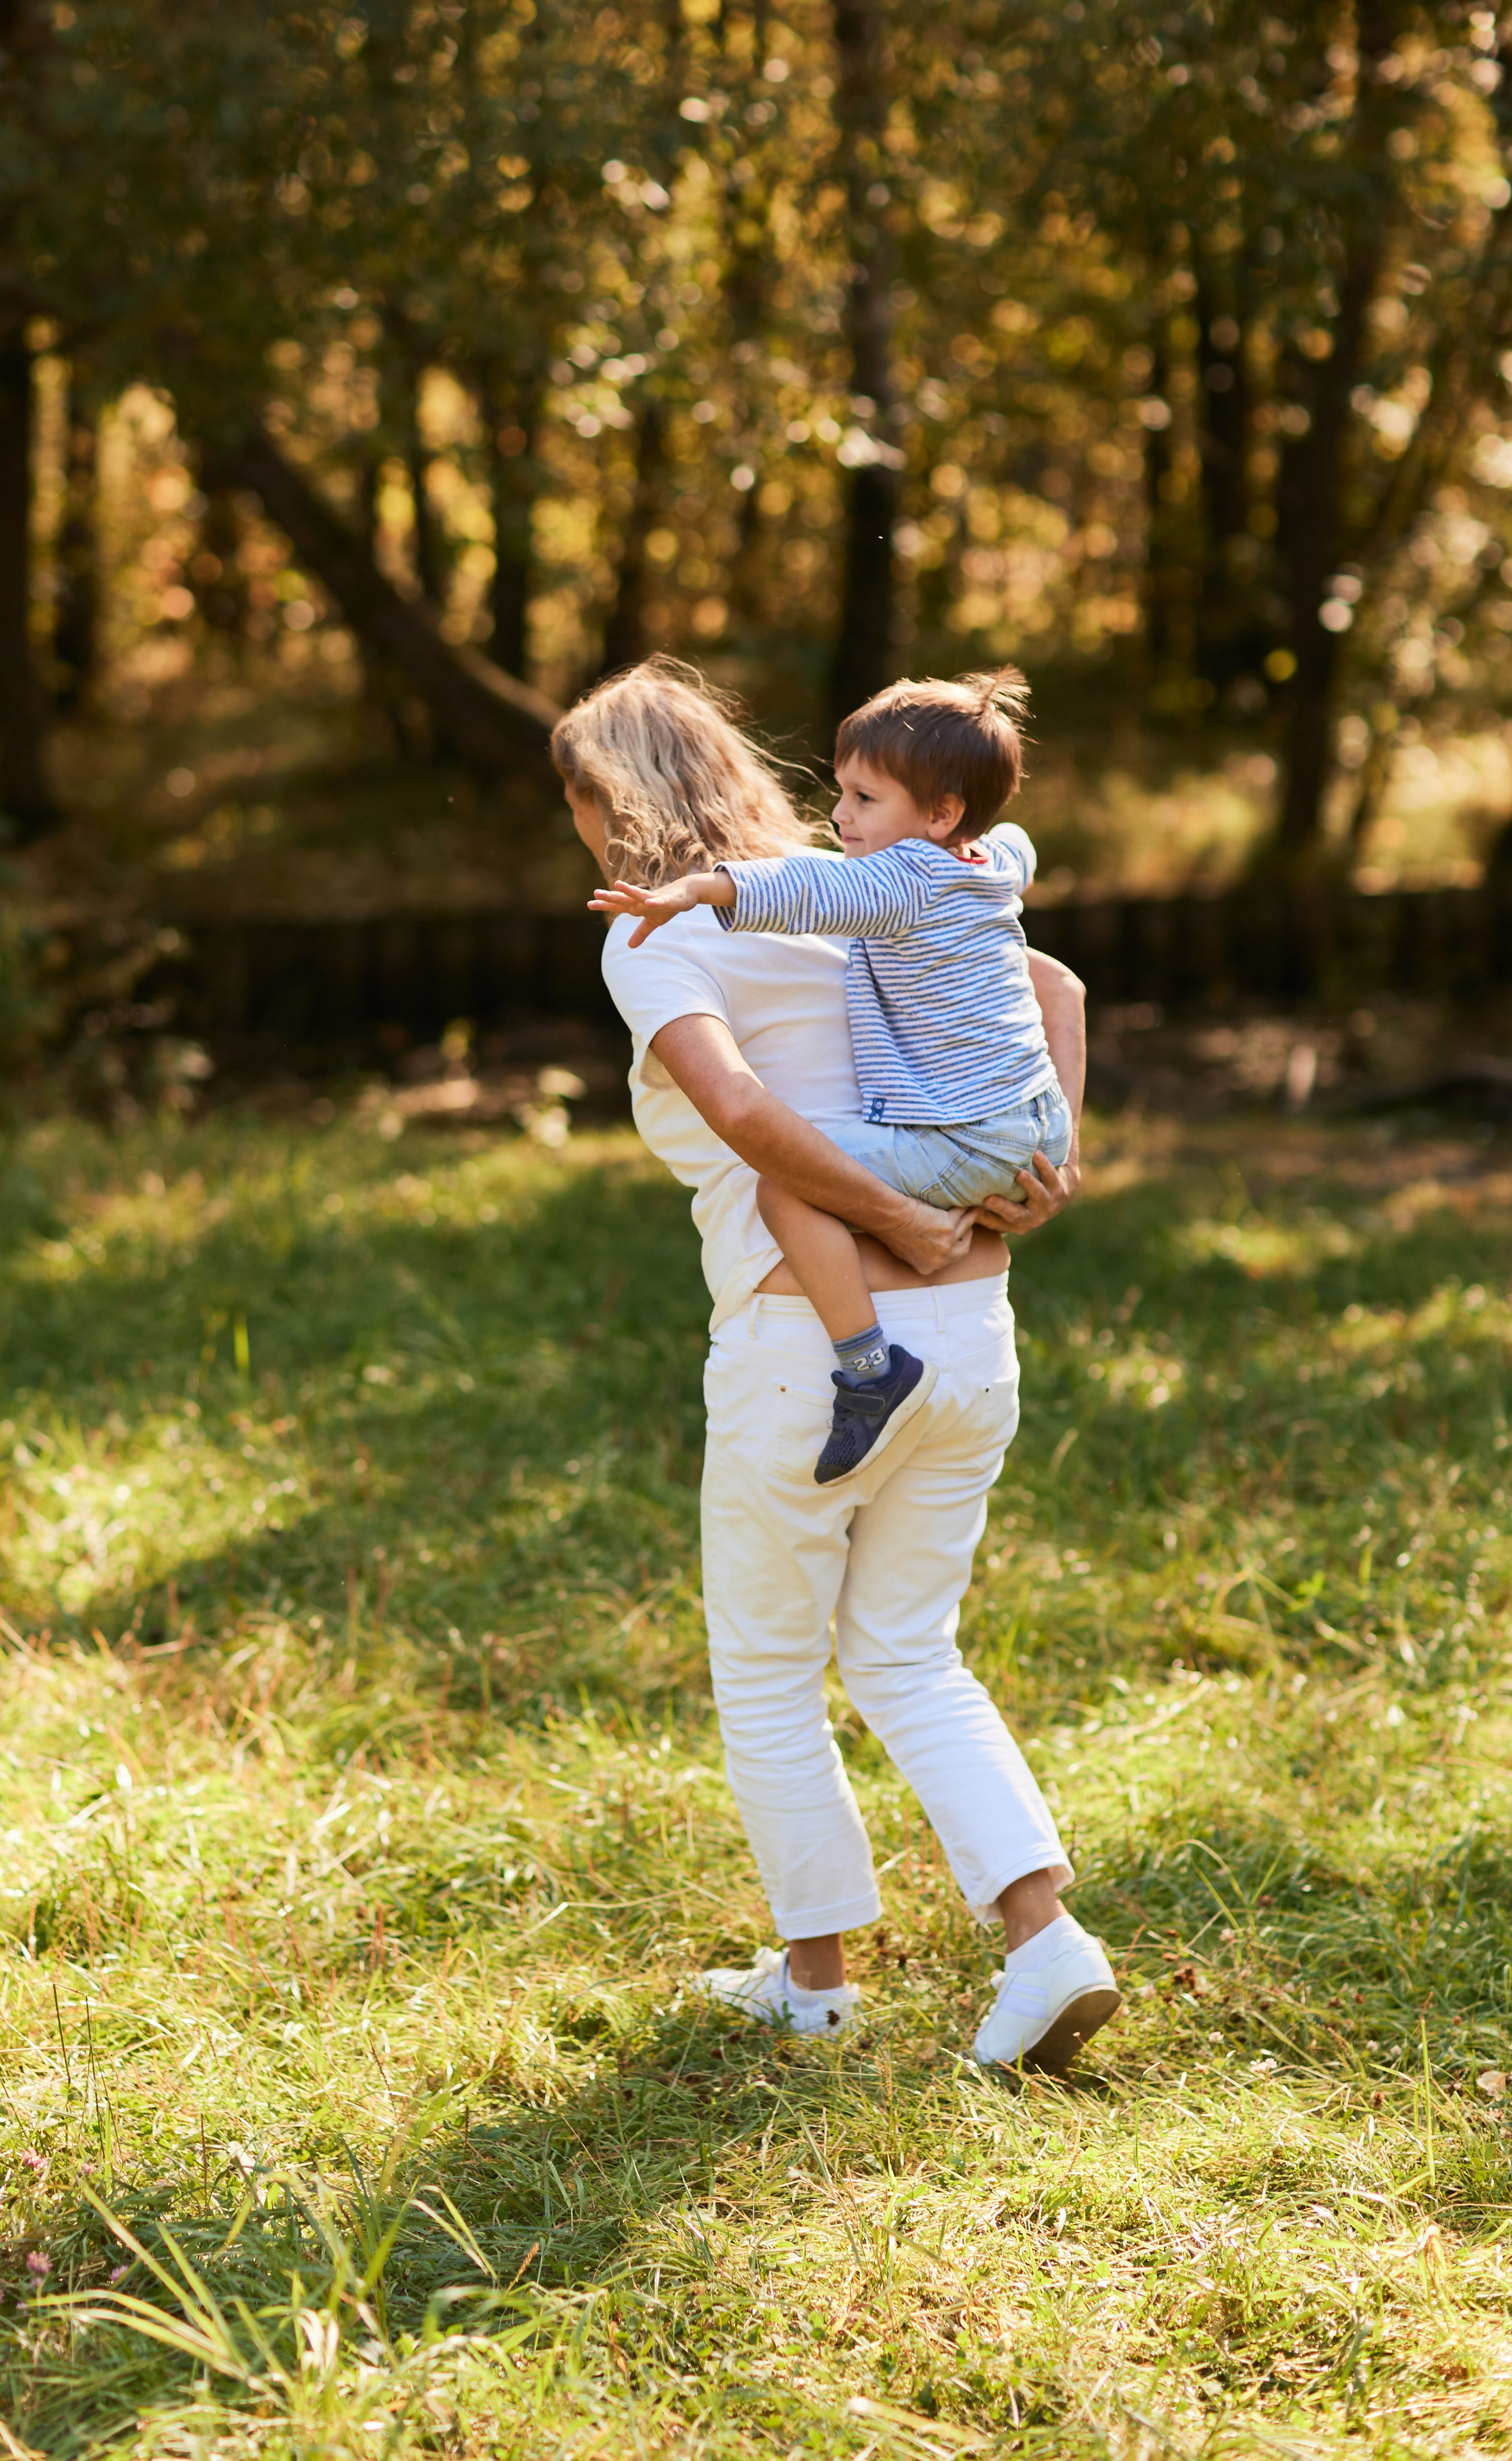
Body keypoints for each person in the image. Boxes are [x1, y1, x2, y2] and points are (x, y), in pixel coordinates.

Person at [552, 656, 1121, 2073]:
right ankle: (1046, 1945)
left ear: (600, 805)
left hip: (814, 1345)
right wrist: (1048, 1155)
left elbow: (739, 1111)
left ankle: (816, 1984)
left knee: (764, 1667)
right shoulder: (857, 876)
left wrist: (891, 1216)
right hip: (973, 1333)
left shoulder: (658, 937)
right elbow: (1053, 981)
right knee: (908, 1651)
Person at [591, 668, 1071, 1487]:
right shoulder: (994, 858)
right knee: (913, 1620)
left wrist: (693, 891)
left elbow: (797, 887)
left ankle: (868, 1367)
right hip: (1028, 1145)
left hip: (938, 1169)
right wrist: (1060, 1160)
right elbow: (1063, 984)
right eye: (840, 792)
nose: (840, 815)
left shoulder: (893, 880)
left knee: (784, 1187)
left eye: (862, 798)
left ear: (942, 813)